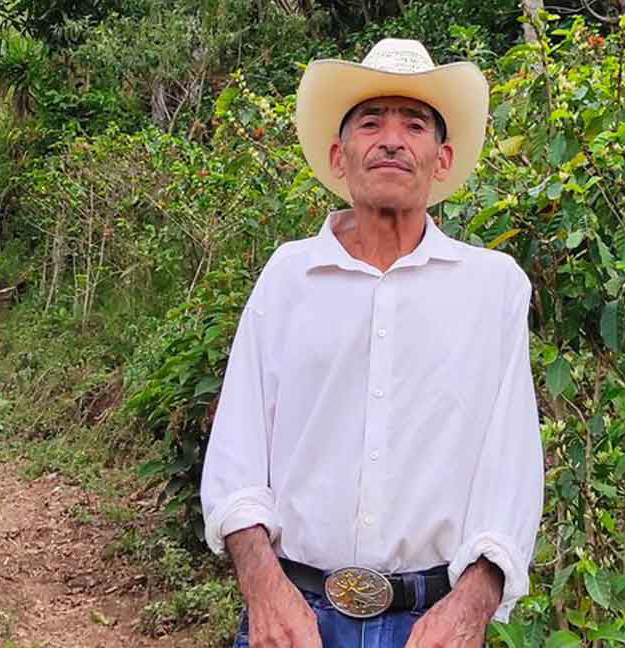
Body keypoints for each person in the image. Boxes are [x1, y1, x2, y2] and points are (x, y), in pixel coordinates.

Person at [200, 38, 544, 648]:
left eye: (414, 124)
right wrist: (263, 590)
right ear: (339, 155)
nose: (392, 140)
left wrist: (473, 603)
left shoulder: (493, 290)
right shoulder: (288, 278)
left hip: (432, 625)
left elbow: (510, 467)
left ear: (442, 158)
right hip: (295, 617)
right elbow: (236, 455)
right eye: (371, 122)